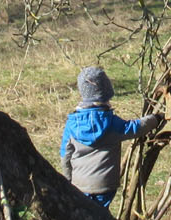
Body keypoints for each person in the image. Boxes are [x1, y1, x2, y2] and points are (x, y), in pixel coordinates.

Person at [59, 66, 163, 208]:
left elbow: (65, 155)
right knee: (101, 218)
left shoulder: (71, 124)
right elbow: (135, 128)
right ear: (106, 93)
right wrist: (156, 118)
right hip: (104, 185)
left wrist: (69, 180)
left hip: (79, 185)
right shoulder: (112, 123)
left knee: (85, 217)